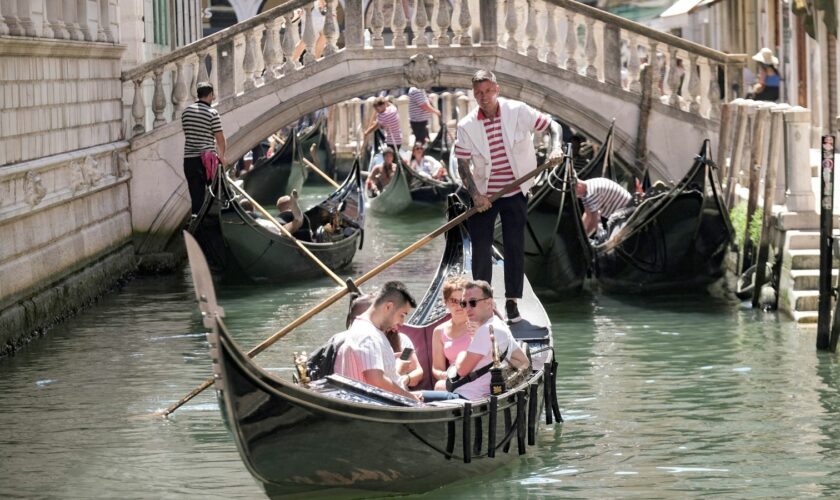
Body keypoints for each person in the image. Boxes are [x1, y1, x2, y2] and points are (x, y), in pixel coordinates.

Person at [453, 69, 563, 323]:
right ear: (474, 95)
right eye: (479, 93)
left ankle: (512, 302)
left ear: (497, 90)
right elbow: (462, 164)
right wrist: (475, 195)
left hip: (516, 190)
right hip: (484, 194)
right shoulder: (467, 125)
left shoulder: (518, 111)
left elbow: (553, 127)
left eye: (488, 91)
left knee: (515, 246)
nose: (484, 96)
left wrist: (555, 147)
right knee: (480, 249)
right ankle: (483, 304)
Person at [421, 280, 529, 402]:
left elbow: (462, 370)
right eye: (464, 303)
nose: (467, 308)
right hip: (481, 395)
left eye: (472, 303)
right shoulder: (500, 325)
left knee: (415, 397)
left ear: (489, 303)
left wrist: (461, 355)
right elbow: (523, 361)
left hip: (467, 397)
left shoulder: (484, 331)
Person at [334, 281, 420, 400]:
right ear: (388, 307)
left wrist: (388, 360)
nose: (402, 322)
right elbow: (377, 381)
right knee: (450, 399)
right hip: (385, 407)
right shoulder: (368, 336)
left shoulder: (367, 328)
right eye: (402, 314)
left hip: (389, 402)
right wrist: (411, 397)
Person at [181, 81, 226, 215]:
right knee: (215, 194)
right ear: (210, 94)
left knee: (196, 196)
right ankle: (213, 221)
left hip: (189, 160)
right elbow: (220, 139)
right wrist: (222, 157)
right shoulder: (212, 113)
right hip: (207, 161)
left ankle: (196, 221)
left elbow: (189, 134)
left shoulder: (186, 112)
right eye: (213, 95)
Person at [430, 276, 473, 390]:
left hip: (477, 377)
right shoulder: (439, 331)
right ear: (445, 302)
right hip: (454, 380)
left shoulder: (478, 326)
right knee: (439, 386)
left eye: (463, 302)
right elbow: (437, 369)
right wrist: (446, 376)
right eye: (454, 301)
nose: (459, 306)